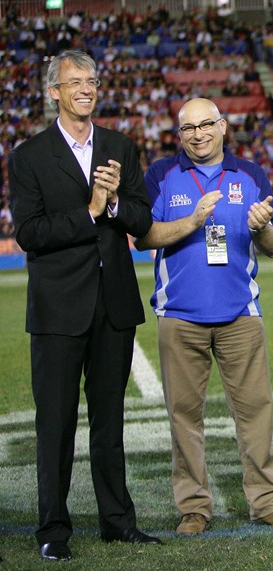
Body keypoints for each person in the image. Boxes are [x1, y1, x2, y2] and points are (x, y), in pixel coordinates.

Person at [8, 49, 160, 562]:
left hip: (113, 305)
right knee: (55, 425)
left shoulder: (119, 146)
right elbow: (29, 234)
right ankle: (53, 528)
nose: (86, 89)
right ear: (54, 91)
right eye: (75, 82)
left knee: (110, 422)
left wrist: (115, 204)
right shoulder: (28, 156)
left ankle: (118, 522)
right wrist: (92, 211)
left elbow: (141, 219)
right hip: (57, 311)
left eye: (92, 81)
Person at [133, 98, 273, 535]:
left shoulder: (250, 174)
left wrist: (262, 224)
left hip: (240, 313)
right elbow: (143, 238)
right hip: (179, 314)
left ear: (223, 126)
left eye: (206, 124)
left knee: (255, 412)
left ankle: (266, 502)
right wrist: (192, 220)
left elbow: (272, 244)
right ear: (179, 133)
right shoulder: (160, 175)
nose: (198, 134)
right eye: (188, 128)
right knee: (184, 416)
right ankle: (193, 506)